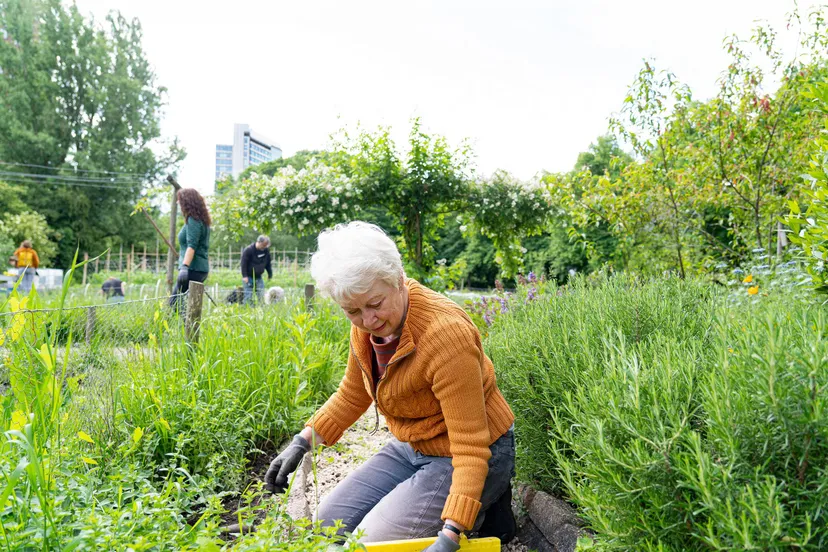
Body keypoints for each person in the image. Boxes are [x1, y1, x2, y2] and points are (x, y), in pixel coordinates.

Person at [263, 222, 517, 549]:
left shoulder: (446, 338)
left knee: (364, 546)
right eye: (352, 311)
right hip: (413, 444)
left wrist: (451, 536)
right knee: (328, 526)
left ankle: (485, 504)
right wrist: (302, 441)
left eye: (375, 304)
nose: (368, 321)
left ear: (398, 279)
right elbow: (352, 394)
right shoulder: (367, 328)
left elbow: (470, 447)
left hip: (473, 450)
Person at [169, 188, 211, 309]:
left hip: (192, 269)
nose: (178, 203)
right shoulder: (202, 220)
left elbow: (191, 246)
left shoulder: (194, 220)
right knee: (189, 306)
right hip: (199, 268)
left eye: (179, 200)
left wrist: (184, 267)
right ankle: (189, 327)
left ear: (187, 202)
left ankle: (186, 327)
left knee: (174, 304)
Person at [240, 235, 272, 305]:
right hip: (248, 277)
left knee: (261, 294)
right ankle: (247, 310)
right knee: (248, 295)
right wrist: (244, 276)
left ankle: (261, 309)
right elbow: (243, 263)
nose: (264, 247)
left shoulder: (266, 251)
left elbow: (268, 263)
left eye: (266, 245)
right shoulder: (249, 250)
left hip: (258, 277)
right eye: (263, 245)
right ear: (259, 242)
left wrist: (270, 273)